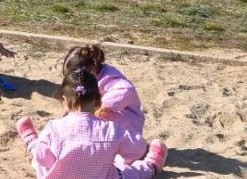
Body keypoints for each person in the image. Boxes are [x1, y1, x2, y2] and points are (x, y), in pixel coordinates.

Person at [15, 67, 167, 179]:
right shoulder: (111, 131)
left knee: (40, 158)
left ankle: (31, 141)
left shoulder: (54, 128)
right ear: (99, 102)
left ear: (64, 101)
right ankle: (151, 166)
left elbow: (43, 158)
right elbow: (137, 149)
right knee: (129, 173)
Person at [62, 44, 147, 164]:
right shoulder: (88, 79)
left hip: (126, 129)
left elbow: (127, 90)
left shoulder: (111, 79)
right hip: (106, 128)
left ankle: (143, 154)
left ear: (90, 72)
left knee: (119, 164)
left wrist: (104, 105)